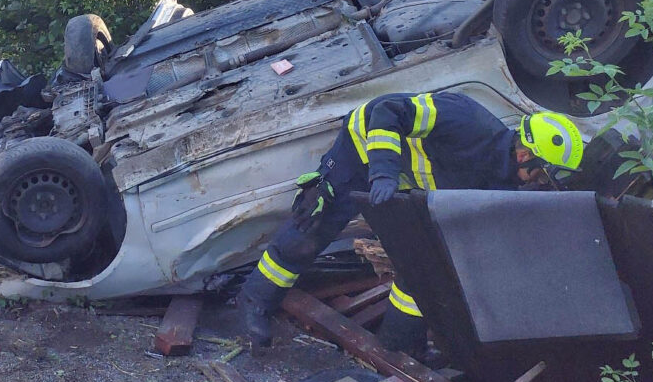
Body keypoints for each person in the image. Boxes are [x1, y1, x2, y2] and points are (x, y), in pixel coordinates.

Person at [236, 91, 585, 350]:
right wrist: (383, 172)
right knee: (312, 228)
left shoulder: (501, 178)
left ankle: (399, 345)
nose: (541, 183)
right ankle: (255, 299)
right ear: (525, 154)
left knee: (420, 263)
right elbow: (389, 110)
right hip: (364, 147)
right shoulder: (465, 118)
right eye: (541, 174)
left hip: (406, 184)